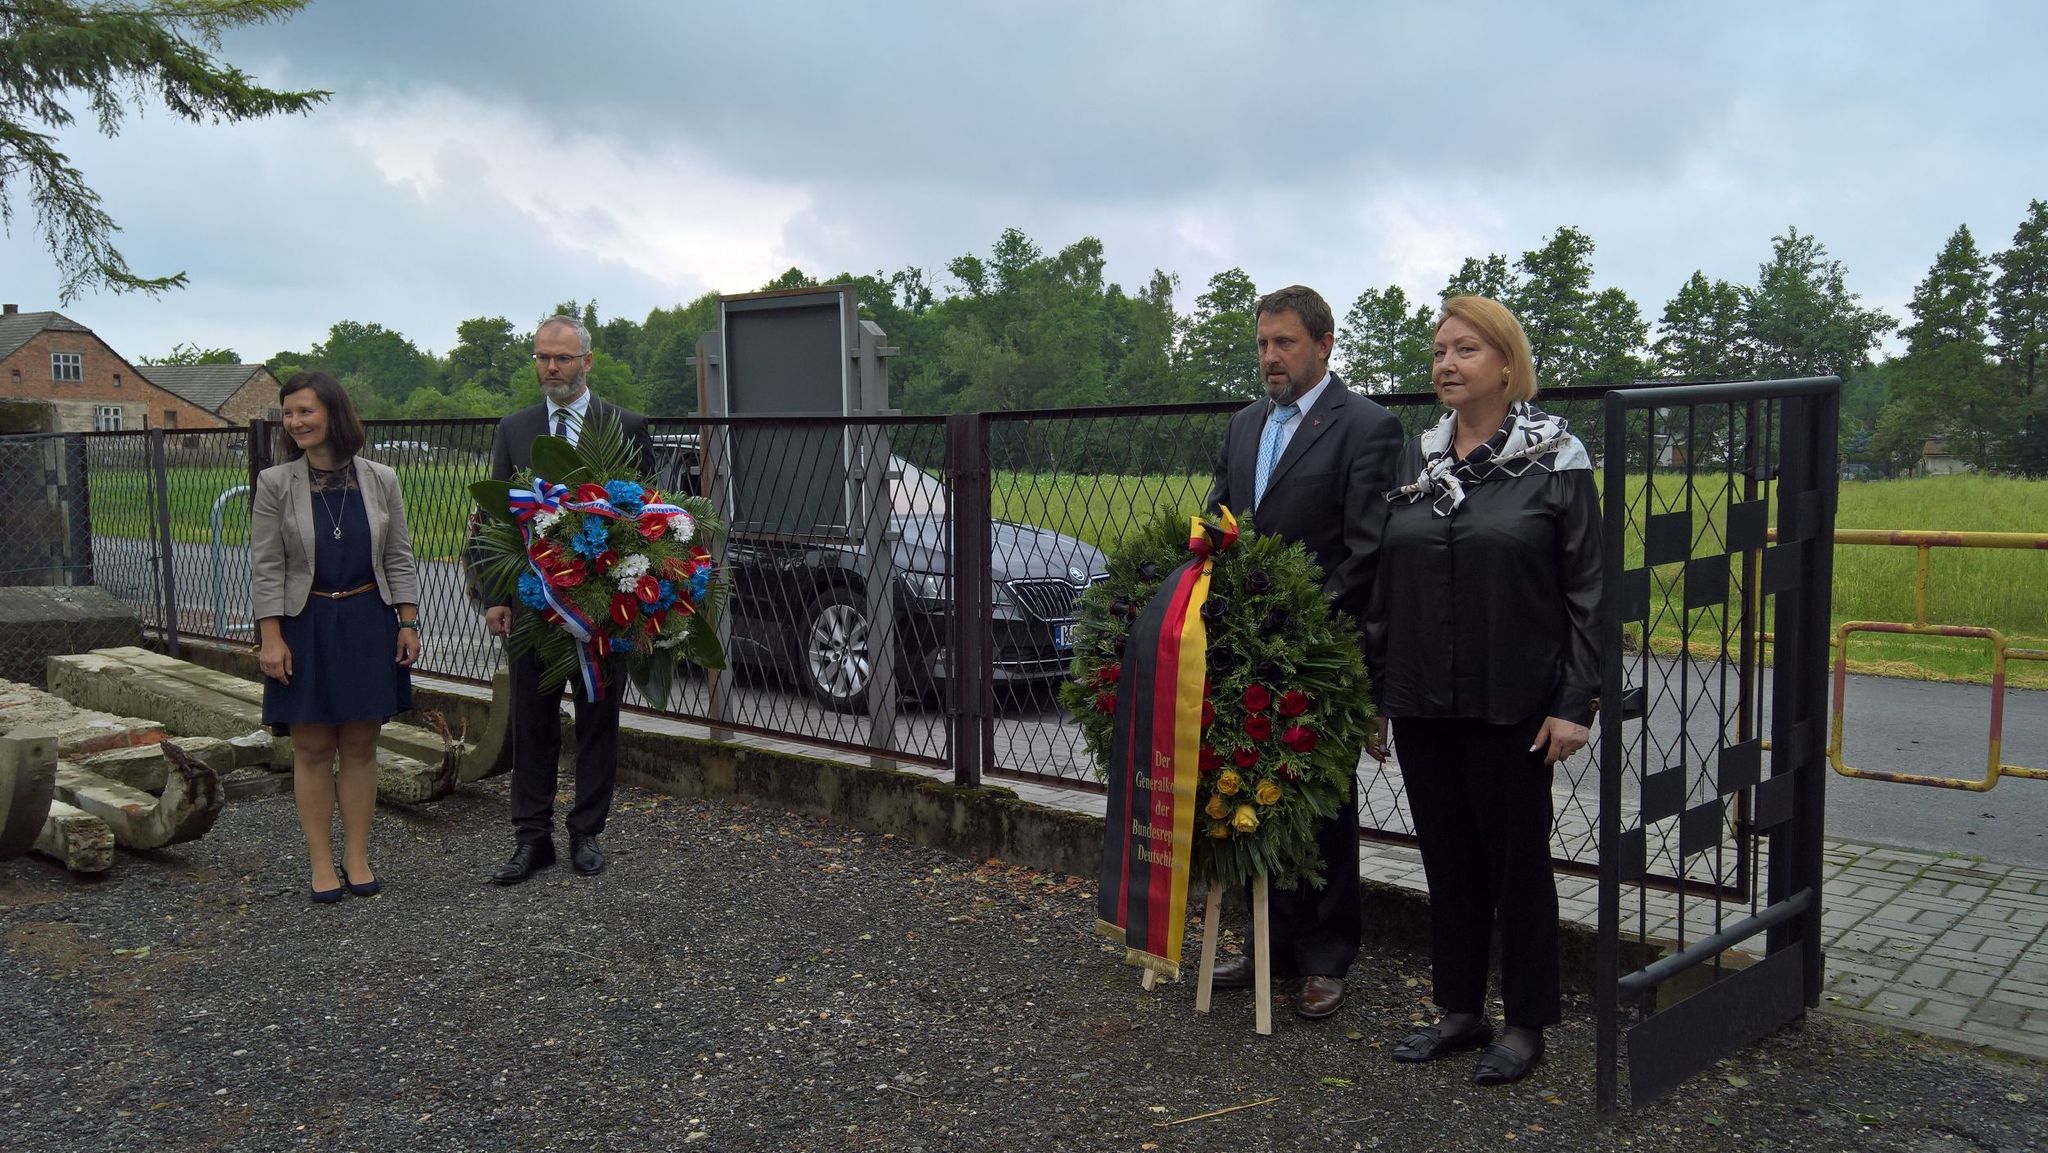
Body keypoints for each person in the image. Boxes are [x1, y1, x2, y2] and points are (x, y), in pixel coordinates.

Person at [1371, 295, 1601, 1086]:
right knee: (1447, 858)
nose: (1446, 363)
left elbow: (1588, 588)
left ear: (1507, 363)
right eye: (1440, 350)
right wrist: (1377, 688)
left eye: (1465, 349)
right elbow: (1387, 579)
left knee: (1517, 865)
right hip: (1424, 696)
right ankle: (1460, 1010)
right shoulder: (1420, 459)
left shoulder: (1555, 458)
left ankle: (1527, 1021)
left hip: (1515, 701)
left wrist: (1575, 700)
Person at [1203, 285, 1404, 1019]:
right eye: (1262, 343)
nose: (1270, 357)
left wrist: (1298, 621)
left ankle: (1325, 956)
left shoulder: (1368, 427)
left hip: (1322, 652)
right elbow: (1222, 516)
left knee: (1320, 803)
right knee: (1255, 792)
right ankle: (1270, 945)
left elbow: (1367, 549)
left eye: (1284, 342)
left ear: (1324, 344)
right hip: (1248, 649)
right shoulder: (1244, 425)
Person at [484, 313, 654, 884]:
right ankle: (532, 839)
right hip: (533, 604)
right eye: (542, 357)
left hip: (603, 608)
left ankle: (587, 832)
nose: (551, 367)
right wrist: (495, 595)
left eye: (562, 357)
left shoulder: (625, 426)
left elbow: (647, 517)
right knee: (531, 722)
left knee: (597, 719)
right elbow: (495, 522)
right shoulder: (515, 429)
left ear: (588, 361)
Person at [250, 370, 421, 904]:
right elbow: (266, 566)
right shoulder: (275, 483)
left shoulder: (381, 479)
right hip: (305, 624)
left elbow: (398, 555)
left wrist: (408, 621)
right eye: (288, 413)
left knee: (362, 745)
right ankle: (321, 862)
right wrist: (271, 637)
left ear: (334, 413)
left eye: (306, 411)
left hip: (369, 619)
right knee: (313, 747)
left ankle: (357, 856)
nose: (295, 421)